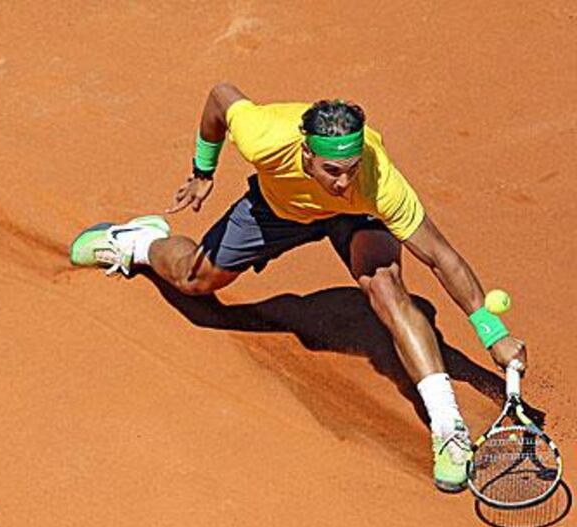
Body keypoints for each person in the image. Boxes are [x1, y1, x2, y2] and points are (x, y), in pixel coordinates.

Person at [69, 83, 527, 492]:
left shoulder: (377, 181)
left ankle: (449, 430)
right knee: (196, 281)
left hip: (356, 220)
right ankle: (140, 242)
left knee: (387, 288)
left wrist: (492, 332)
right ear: (306, 154)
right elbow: (219, 96)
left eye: (351, 168)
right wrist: (203, 171)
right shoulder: (264, 135)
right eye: (332, 171)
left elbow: (442, 258)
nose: (343, 181)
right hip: (277, 209)